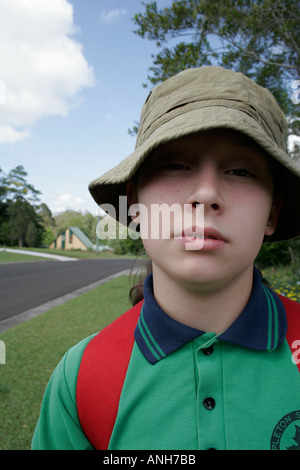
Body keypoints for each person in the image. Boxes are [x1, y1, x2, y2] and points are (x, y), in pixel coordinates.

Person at [32, 66, 300, 451]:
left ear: (272, 213)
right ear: (136, 203)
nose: (207, 193)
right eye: (174, 164)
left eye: (241, 170)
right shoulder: (80, 379)